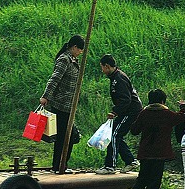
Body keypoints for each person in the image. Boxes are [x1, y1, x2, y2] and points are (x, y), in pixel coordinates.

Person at [126, 89, 185, 189]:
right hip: (160, 154)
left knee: (143, 178)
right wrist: (183, 107)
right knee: (154, 181)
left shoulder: (144, 113)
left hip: (145, 152)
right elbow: (183, 117)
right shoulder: (167, 114)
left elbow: (134, 130)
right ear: (162, 101)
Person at [40, 35, 85, 174]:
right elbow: (54, 79)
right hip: (61, 104)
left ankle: (60, 165)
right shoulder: (64, 60)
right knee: (66, 136)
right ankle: (60, 166)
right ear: (74, 47)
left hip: (68, 106)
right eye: (80, 49)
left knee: (67, 136)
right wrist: (45, 96)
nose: (80, 52)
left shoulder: (73, 60)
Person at [96, 54, 143, 175]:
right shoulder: (115, 77)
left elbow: (126, 100)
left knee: (114, 135)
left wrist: (114, 111)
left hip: (131, 111)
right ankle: (130, 160)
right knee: (115, 134)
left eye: (102, 67)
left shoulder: (119, 79)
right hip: (126, 110)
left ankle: (110, 166)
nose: (102, 71)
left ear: (107, 66)